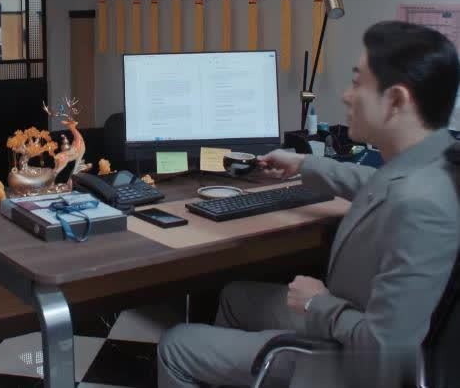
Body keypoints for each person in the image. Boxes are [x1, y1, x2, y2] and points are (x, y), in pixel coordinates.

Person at [157, 21, 460, 388]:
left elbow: (386, 351)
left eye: (358, 83)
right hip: (349, 316)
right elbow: (377, 183)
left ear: (396, 101)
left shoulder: (423, 207)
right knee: (235, 297)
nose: (346, 96)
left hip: (349, 361)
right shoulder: (433, 159)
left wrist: (318, 304)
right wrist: (303, 164)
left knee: (176, 345)